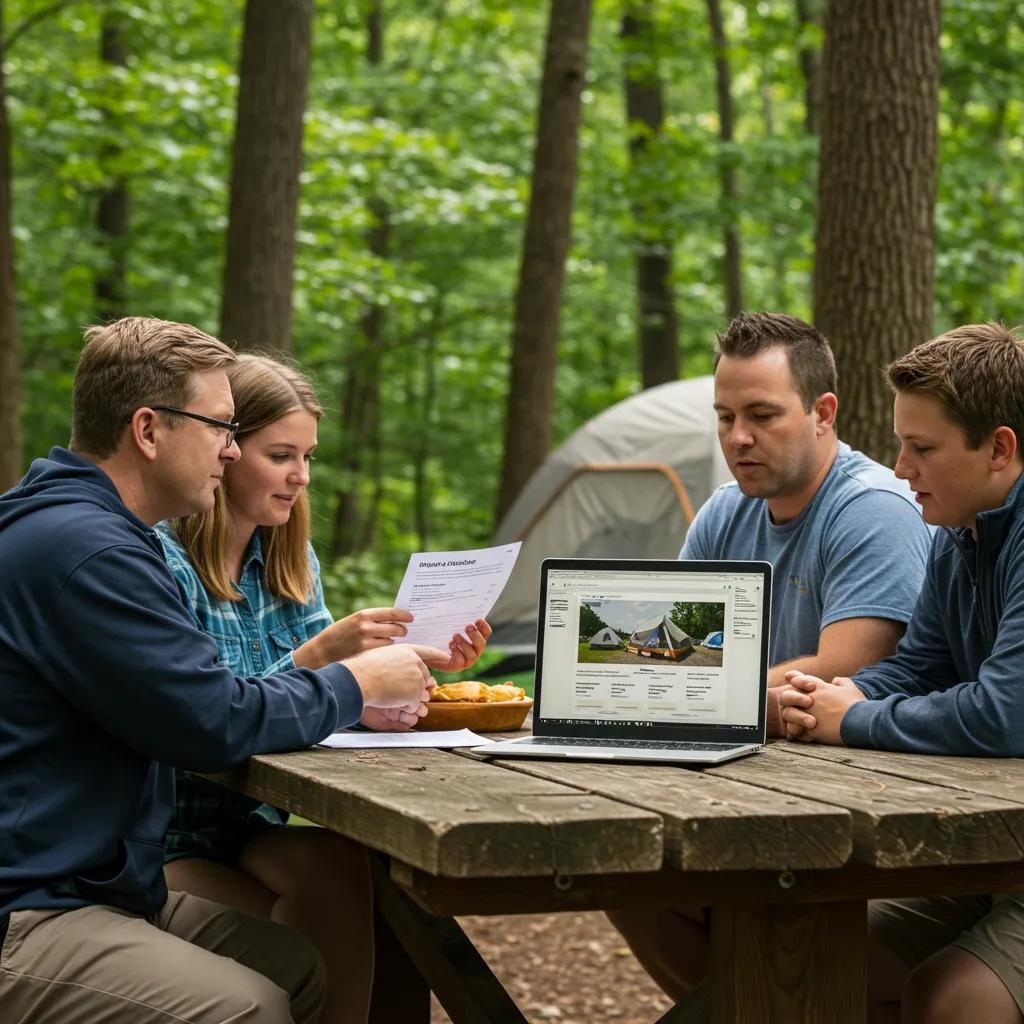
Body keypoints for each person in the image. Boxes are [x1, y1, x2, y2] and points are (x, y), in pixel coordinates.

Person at [0, 317, 442, 1024]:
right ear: (148, 431)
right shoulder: (88, 552)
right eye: (220, 428)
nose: (229, 451)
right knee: (248, 1006)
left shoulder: (99, 533)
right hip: (31, 907)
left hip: (98, 884)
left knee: (303, 966)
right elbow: (212, 720)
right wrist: (354, 682)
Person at [156, 352, 490, 1023]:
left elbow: (328, 708)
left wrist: (406, 671)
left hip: (253, 825)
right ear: (225, 451)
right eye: (281, 455)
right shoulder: (162, 563)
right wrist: (321, 659)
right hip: (165, 839)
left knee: (355, 873)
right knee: (353, 928)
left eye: (307, 458)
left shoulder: (289, 560)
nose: (300, 478)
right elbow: (201, 724)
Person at [608, 311, 933, 1002]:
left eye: (761, 414)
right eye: (725, 417)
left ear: (823, 412)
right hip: (740, 797)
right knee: (622, 881)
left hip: (857, 816)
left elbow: (841, 670)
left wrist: (714, 690)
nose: (738, 438)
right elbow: (664, 659)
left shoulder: (873, 509)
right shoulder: (726, 513)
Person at [781, 323, 1024, 1024]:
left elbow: (1004, 712)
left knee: (947, 999)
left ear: (999, 448)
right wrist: (836, 694)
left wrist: (850, 720)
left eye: (922, 448)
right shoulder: (962, 532)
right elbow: (921, 664)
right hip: (999, 848)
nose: (899, 468)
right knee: (815, 950)